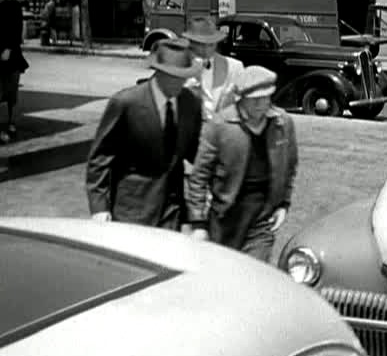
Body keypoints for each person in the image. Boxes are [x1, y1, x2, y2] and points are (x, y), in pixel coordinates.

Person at [86, 38, 203, 229]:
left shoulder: (190, 103)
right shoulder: (126, 103)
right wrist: (99, 207)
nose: (179, 82)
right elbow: (100, 159)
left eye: (183, 77)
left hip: (172, 213)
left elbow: (195, 152)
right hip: (131, 212)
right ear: (158, 72)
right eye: (173, 76)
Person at [186, 65, 299, 262]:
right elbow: (199, 176)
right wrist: (198, 223)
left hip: (261, 218)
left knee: (254, 274)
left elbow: (289, 167)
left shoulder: (282, 123)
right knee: (222, 276)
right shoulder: (220, 126)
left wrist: (283, 204)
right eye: (255, 99)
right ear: (241, 98)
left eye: (266, 98)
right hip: (225, 217)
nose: (262, 104)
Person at [182, 16, 244, 120]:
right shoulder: (177, 67)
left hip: (223, 131)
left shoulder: (234, 67)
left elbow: (242, 105)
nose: (206, 50)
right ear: (190, 43)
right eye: (201, 44)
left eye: (210, 44)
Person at [0, 0, 29, 144]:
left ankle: (11, 121)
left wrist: (9, 49)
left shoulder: (13, 7)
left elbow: (16, 30)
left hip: (12, 56)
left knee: (12, 92)